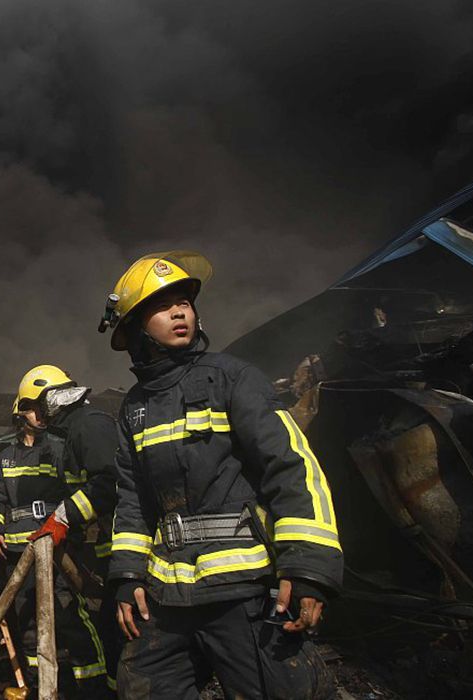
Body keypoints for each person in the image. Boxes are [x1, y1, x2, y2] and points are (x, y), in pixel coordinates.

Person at [102, 251, 342, 698]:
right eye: (162, 305)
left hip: (243, 592)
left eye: (185, 302)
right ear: (135, 326)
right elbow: (133, 497)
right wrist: (128, 575)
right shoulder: (134, 407)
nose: (179, 311)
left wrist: (308, 567)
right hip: (166, 599)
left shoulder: (233, 379)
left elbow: (291, 467)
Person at [0, 394, 109, 698]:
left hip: (57, 549)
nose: (38, 415)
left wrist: (71, 531)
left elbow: (77, 493)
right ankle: (43, 684)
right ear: (19, 416)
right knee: (29, 625)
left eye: (40, 410)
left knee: (70, 617)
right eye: (30, 410)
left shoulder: (58, 449)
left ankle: (91, 685)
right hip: (19, 553)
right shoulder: (5, 458)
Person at [15, 365, 118, 697]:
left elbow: (108, 484)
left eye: (31, 406)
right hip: (102, 553)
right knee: (103, 628)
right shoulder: (74, 431)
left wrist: (62, 518)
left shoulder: (89, 425)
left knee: (111, 631)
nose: (31, 416)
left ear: (48, 400)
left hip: (117, 553)